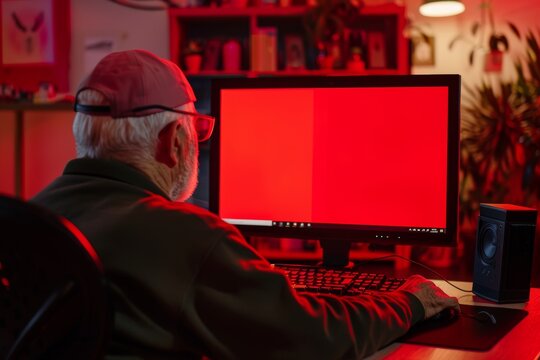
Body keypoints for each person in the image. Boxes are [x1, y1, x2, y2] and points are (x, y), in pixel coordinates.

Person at [32, 49, 459, 359]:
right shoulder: (186, 237)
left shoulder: (30, 217)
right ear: (174, 143)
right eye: (196, 129)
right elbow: (312, 338)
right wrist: (411, 302)